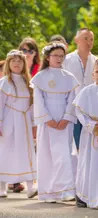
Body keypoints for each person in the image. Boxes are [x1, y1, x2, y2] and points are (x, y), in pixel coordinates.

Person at [31, 42, 79, 203]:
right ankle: (48, 192)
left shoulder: (69, 77)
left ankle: (65, 190)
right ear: (47, 57)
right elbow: (38, 101)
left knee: (64, 155)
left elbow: (72, 100)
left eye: (61, 55)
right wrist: (46, 119)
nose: (59, 58)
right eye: (55, 55)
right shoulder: (40, 77)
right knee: (47, 156)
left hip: (64, 123)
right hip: (47, 123)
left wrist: (66, 118)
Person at [73, 57, 98, 208]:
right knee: (87, 163)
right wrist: (90, 124)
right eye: (97, 72)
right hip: (90, 134)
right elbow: (79, 111)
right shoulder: (86, 91)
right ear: (93, 74)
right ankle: (84, 194)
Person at [0, 50, 37, 199]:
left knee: (26, 152)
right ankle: (2, 187)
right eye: (14, 61)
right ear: (9, 63)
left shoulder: (28, 83)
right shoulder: (3, 83)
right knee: (5, 152)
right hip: (9, 121)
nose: (17, 63)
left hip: (25, 122)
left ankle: (30, 187)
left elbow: (32, 106)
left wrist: (34, 124)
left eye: (20, 61)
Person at [63, 28, 97, 152]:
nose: (89, 42)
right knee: (74, 147)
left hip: (91, 111)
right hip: (72, 110)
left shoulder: (96, 62)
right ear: (76, 40)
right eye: (85, 39)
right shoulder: (66, 60)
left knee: (90, 147)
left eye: (92, 39)